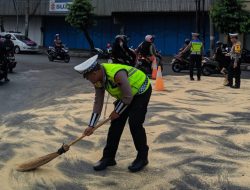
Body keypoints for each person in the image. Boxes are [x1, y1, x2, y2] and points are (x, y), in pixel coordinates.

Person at [74, 55, 152, 172]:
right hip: (126, 95)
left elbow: (128, 97)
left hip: (140, 91)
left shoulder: (116, 74)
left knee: (135, 123)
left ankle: (142, 157)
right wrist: (91, 125)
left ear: (94, 73)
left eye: (87, 77)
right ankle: (108, 157)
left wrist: (117, 111)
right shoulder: (98, 80)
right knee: (115, 125)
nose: (87, 80)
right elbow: (98, 102)